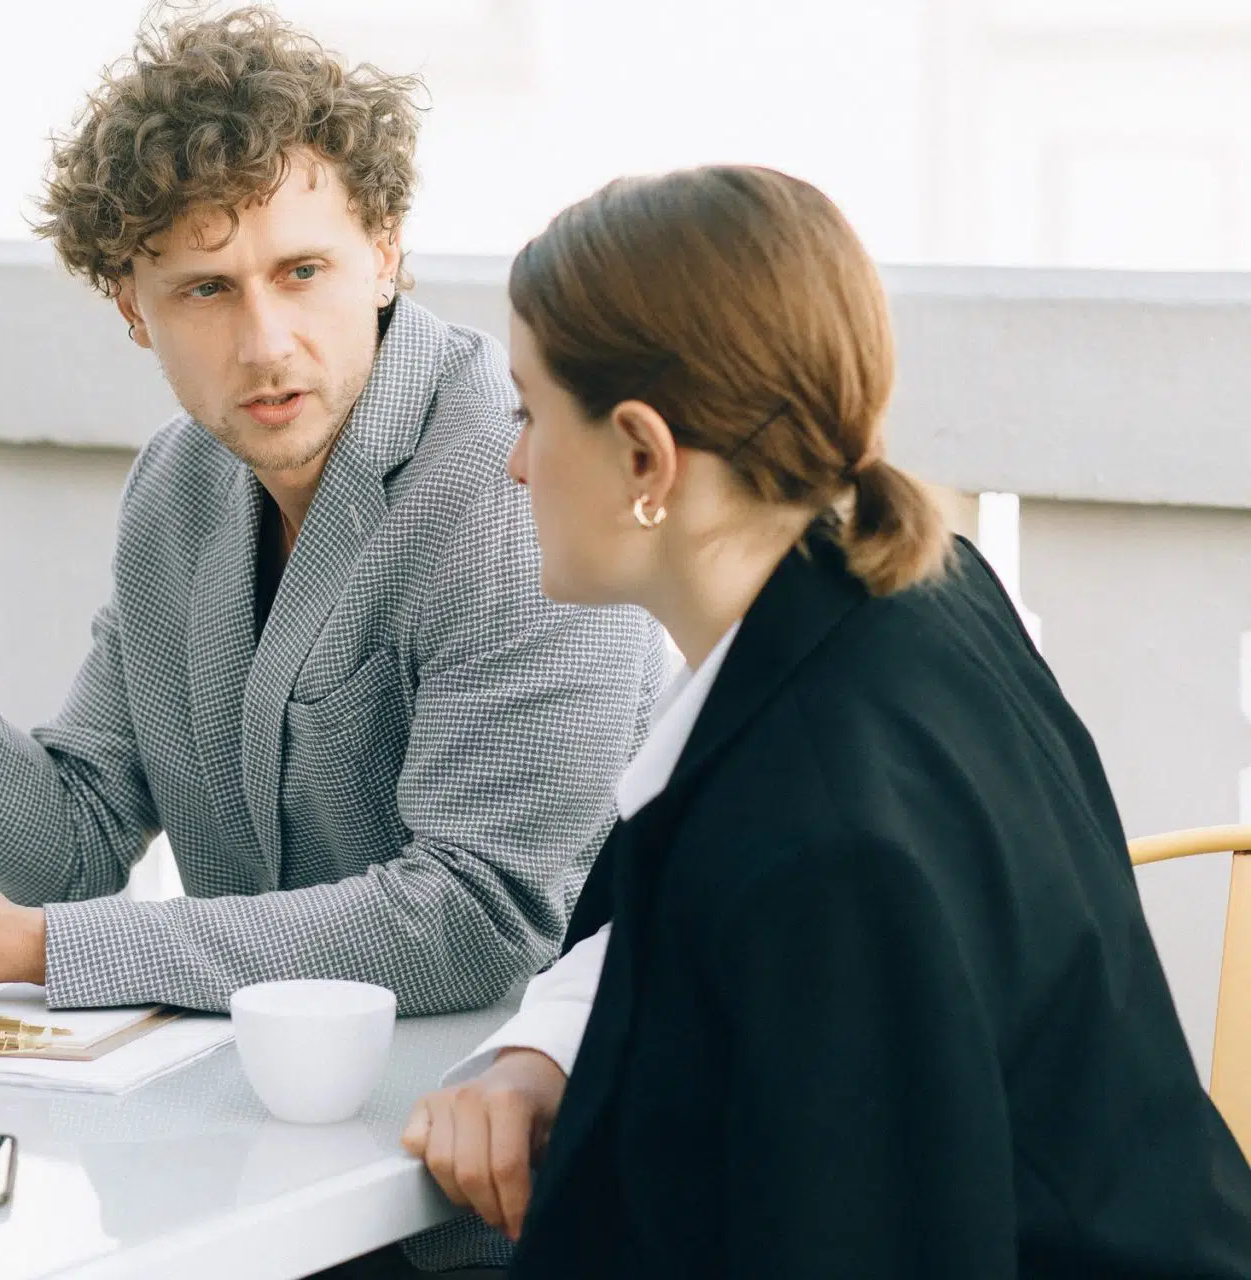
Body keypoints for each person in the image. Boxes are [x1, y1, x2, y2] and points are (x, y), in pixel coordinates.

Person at [0, 7, 665, 1016]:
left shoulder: (515, 483)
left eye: (302, 271)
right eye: (205, 290)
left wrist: (33, 949)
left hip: (516, 1100)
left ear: (385, 254)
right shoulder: (179, 488)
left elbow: (479, 916)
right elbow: (70, 841)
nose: (267, 340)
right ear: (133, 308)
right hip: (254, 1099)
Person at [401, 164, 1251, 1275]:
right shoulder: (914, 599)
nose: (513, 464)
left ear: (646, 457)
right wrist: (542, 1049)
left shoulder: (817, 833)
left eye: (529, 410)